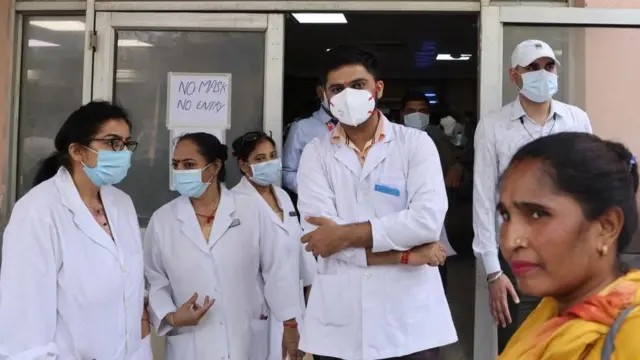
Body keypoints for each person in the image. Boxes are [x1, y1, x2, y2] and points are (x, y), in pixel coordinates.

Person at [297, 45, 456, 360]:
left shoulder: (415, 145)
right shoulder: (315, 153)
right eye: (337, 89)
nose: (348, 95)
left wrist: (344, 235)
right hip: (340, 323)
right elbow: (320, 240)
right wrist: (408, 255)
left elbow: (426, 222)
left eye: (358, 86)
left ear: (378, 88)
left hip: (409, 321)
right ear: (324, 96)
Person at [0, 101, 152, 359]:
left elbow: (127, 285)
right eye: (113, 142)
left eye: (127, 144)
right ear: (77, 151)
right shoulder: (38, 212)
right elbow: (25, 327)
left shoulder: (121, 204)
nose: (123, 152)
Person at [472, 39, 593, 351]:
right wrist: (492, 272)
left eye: (549, 66)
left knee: (570, 344)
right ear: (515, 76)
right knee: (519, 347)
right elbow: (483, 199)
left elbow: (591, 186)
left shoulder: (576, 119)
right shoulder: (494, 126)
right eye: (533, 68)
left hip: (570, 253)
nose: (543, 73)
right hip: (516, 256)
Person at [144, 132, 302, 360]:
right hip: (192, 342)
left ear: (215, 166)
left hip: (246, 338)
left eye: (189, 164)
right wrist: (172, 316)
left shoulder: (249, 209)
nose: (181, 172)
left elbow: (276, 270)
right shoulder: (163, 219)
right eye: (176, 165)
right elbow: (155, 279)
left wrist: (290, 323)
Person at [496, 132, 640, 359]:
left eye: (537, 214)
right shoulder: (549, 312)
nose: (510, 240)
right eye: (506, 216)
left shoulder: (632, 334)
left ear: (606, 227)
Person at [231, 130, 316, 360]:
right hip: (260, 306)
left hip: (293, 300)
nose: (269, 163)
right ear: (243, 165)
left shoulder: (282, 196)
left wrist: (312, 287)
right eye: (260, 159)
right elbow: (262, 261)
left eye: (272, 155)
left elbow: (298, 241)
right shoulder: (236, 202)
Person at [282, 80, 338, 194]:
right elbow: (287, 172)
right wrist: (312, 191)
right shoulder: (301, 127)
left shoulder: (358, 125)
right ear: (320, 91)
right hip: (317, 205)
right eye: (336, 90)